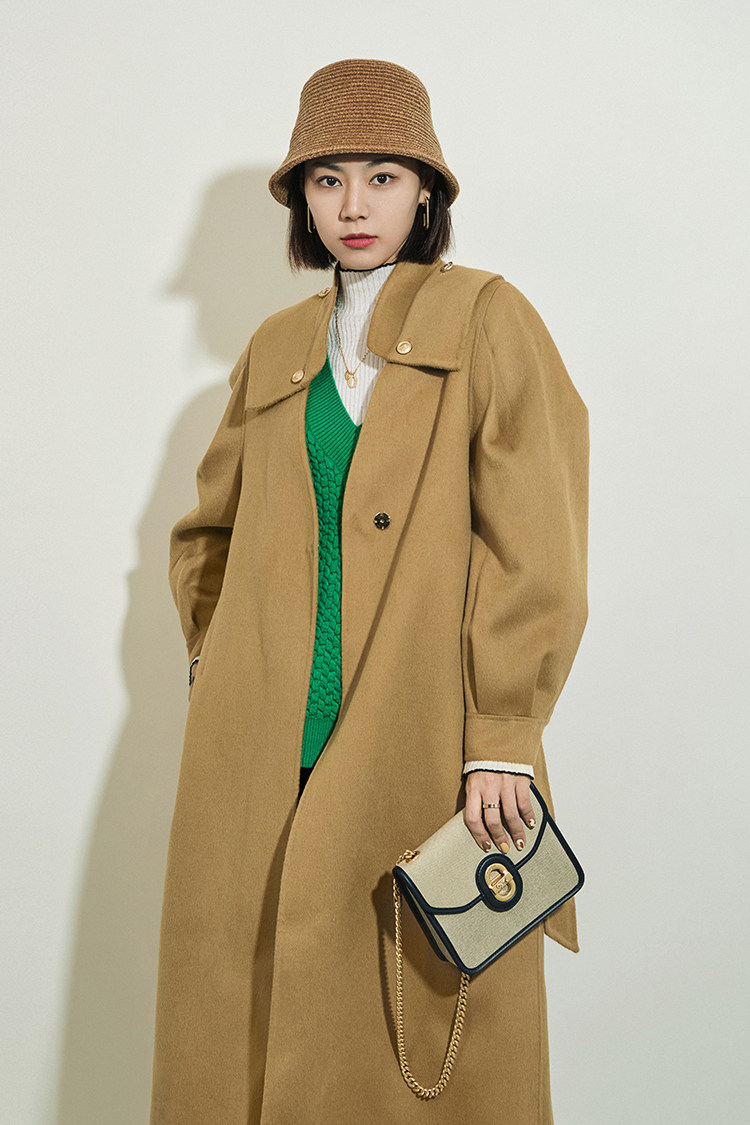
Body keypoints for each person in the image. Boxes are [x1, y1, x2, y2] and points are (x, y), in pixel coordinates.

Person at [149, 57, 589, 1125]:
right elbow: (206, 531)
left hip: (424, 740)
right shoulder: (276, 347)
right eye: (328, 179)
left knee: (416, 1035)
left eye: (383, 177)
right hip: (261, 751)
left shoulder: (488, 319)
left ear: (426, 193)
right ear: (302, 199)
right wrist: (224, 664)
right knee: (251, 1015)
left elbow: (538, 542)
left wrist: (501, 732)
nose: (354, 205)